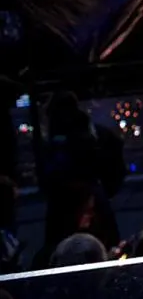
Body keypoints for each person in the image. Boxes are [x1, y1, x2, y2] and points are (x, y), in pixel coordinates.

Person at [35, 92, 124, 258]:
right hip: (93, 197)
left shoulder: (56, 142)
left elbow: (46, 176)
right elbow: (115, 167)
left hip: (64, 204)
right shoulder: (96, 134)